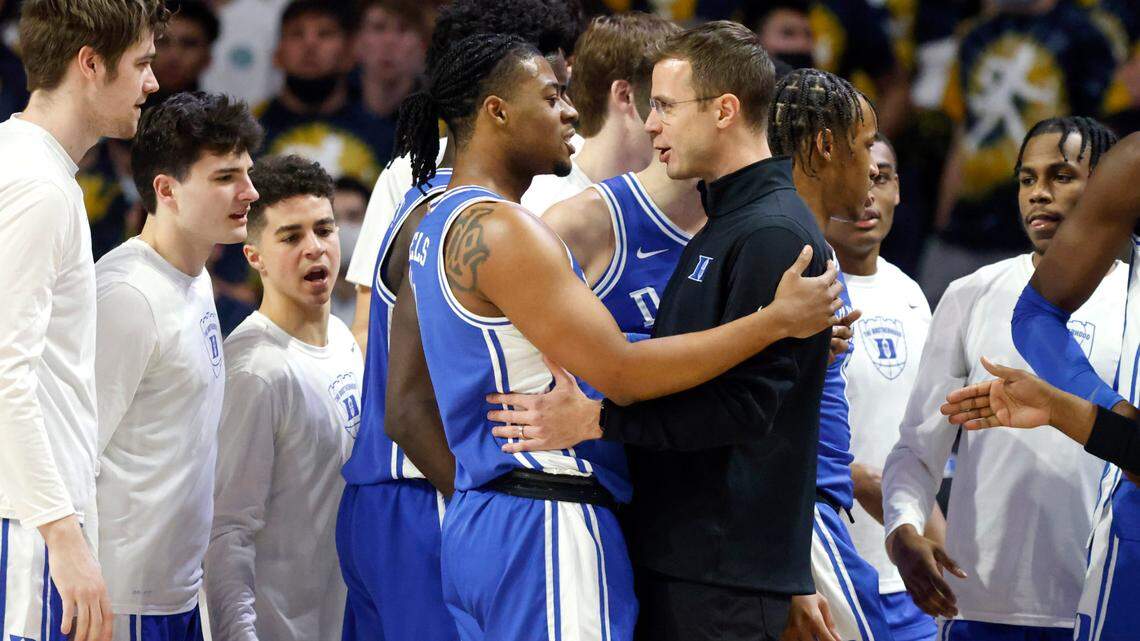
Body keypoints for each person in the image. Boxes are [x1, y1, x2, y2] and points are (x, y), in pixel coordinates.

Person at [392, 24, 843, 640]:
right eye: (551, 97)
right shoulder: (509, 229)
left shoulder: (431, 221)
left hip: (481, 512)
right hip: (545, 514)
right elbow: (624, 376)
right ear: (496, 111)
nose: (572, 110)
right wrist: (774, 322)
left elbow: (408, 405)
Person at [882, 116, 1125, 641]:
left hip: (1105, 603)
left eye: (1061, 176)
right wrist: (903, 527)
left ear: (1108, 188)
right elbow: (918, 447)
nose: (1039, 193)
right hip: (980, 605)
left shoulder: (1133, 297)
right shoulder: (973, 291)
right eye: (1027, 179)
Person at [0, 2, 166, 640]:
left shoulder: (24, 164)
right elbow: (7, 376)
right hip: (31, 528)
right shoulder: (39, 186)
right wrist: (64, 538)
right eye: (143, 63)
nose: (152, 83)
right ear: (90, 63)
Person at [946, 127, 1140, 641]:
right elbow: (1035, 314)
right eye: (1027, 179)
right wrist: (1108, 410)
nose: (1039, 192)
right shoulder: (1135, 164)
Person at [93, 92, 260, 641]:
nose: (249, 193)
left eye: (248, 173)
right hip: (121, 599)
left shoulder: (195, 277)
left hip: (177, 592)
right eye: (225, 177)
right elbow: (71, 453)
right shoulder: (127, 296)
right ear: (166, 190)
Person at [342, 0, 585, 349]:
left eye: (564, 91)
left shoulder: (577, 166)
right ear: (496, 102)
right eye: (551, 96)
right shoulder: (411, 174)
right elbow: (370, 327)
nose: (569, 112)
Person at [205, 154, 362, 641]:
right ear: (254, 257)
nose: (314, 249)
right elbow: (226, 532)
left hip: (345, 622)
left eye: (324, 229)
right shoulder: (256, 371)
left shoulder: (341, 338)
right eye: (291, 237)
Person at [762, 67, 894, 641]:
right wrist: (791, 560)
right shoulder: (789, 247)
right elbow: (755, 413)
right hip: (803, 517)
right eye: (866, 146)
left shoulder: (806, 245)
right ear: (824, 146)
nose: (872, 163)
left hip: (813, 515)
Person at [825, 132, 941, 641]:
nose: (868, 195)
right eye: (855, 178)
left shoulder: (912, 295)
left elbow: (919, 441)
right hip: (828, 570)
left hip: (908, 577)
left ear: (899, 191)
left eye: (882, 178)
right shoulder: (801, 288)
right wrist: (858, 479)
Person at [925, 0, 1118, 303]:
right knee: (934, 327)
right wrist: (942, 222)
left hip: (1043, 230)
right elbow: (963, 137)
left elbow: (1102, 144)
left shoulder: (1085, 35)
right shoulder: (975, 35)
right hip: (963, 228)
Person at [257, 0, 395, 185]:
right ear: (277, 54)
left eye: (325, 33)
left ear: (349, 53)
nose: (310, 43)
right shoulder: (250, 132)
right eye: (297, 34)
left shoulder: (386, 139)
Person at [352, 0, 437, 122]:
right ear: (357, 41)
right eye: (379, 28)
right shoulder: (329, 104)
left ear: (422, 45)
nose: (389, 41)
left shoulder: (438, 120)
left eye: (403, 29)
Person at [148, 0, 219, 106]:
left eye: (189, 44)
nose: (174, 56)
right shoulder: (119, 115)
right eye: (162, 42)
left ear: (207, 57)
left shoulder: (220, 120)